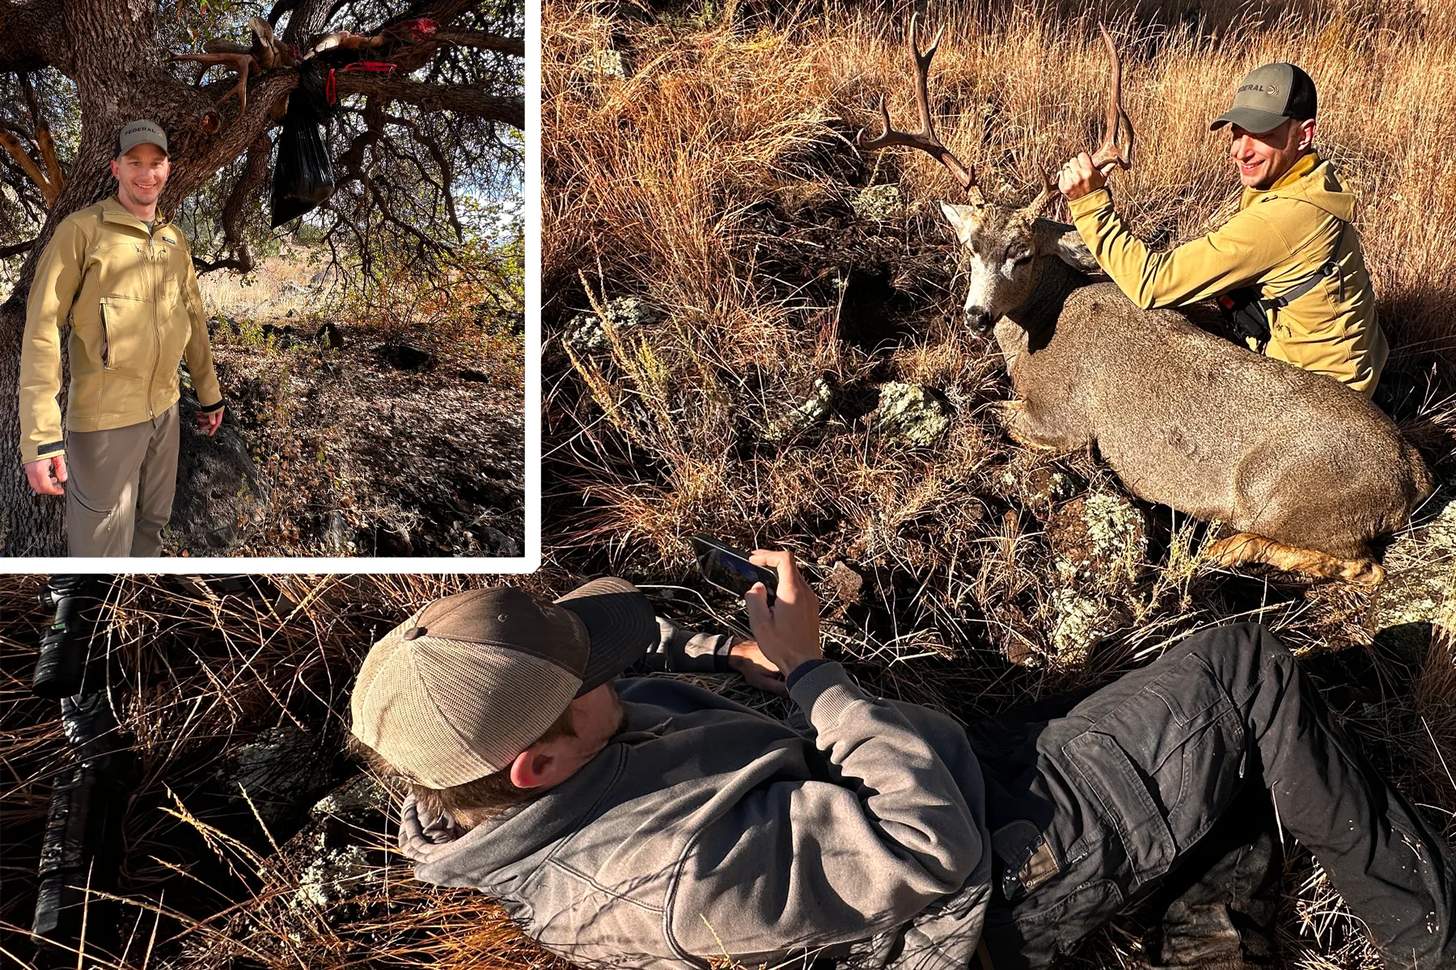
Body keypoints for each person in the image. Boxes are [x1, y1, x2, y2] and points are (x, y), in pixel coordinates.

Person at [349, 557, 1456, 970]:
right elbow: (930, 848)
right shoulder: (667, 887)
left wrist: (730, 649)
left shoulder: (504, 776)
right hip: (989, 877)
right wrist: (811, 676)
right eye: (587, 676)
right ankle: (1429, 934)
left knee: (1150, 732)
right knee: (1239, 663)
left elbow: (638, 687)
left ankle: (1198, 885)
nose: (613, 676)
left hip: (932, 778)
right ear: (537, 763)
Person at [1058, 62, 1388, 396]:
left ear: (1303, 135)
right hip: (1353, 369)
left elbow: (1150, 284)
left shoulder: (1282, 219)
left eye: (1261, 135)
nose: (1239, 150)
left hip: (1323, 401)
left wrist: (1089, 203)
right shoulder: (1314, 178)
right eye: (1237, 131)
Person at [19, 119, 225, 556]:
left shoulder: (174, 240)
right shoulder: (81, 231)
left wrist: (209, 395)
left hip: (165, 414)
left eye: (156, 163)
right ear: (115, 168)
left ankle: (134, 611)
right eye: (135, 162)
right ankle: (93, 622)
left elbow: (193, 320)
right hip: (104, 422)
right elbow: (40, 329)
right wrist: (40, 437)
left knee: (151, 525)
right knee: (99, 550)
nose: (146, 174)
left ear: (168, 169)